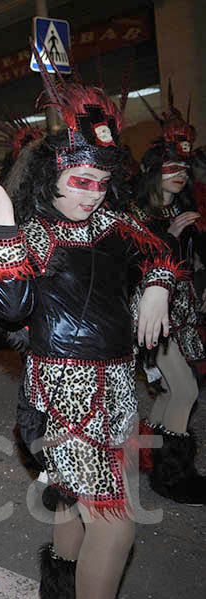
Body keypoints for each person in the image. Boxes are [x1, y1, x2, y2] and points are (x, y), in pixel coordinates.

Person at [0, 55, 176, 598]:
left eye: (102, 182)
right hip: (60, 397)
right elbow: (9, 309)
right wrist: (3, 223)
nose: (92, 193)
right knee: (116, 519)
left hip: (118, 389)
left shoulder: (112, 224)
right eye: (80, 181)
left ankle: (58, 584)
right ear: (52, 175)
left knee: (84, 498)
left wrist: (157, 286)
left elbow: (160, 252)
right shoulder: (31, 233)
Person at [131, 91, 205, 505]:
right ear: (153, 172)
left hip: (180, 314)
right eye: (169, 167)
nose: (178, 173)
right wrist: (172, 236)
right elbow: (140, 267)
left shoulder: (179, 208)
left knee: (170, 391)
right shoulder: (140, 217)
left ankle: (155, 459)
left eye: (183, 166)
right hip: (152, 318)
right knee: (185, 390)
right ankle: (173, 473)